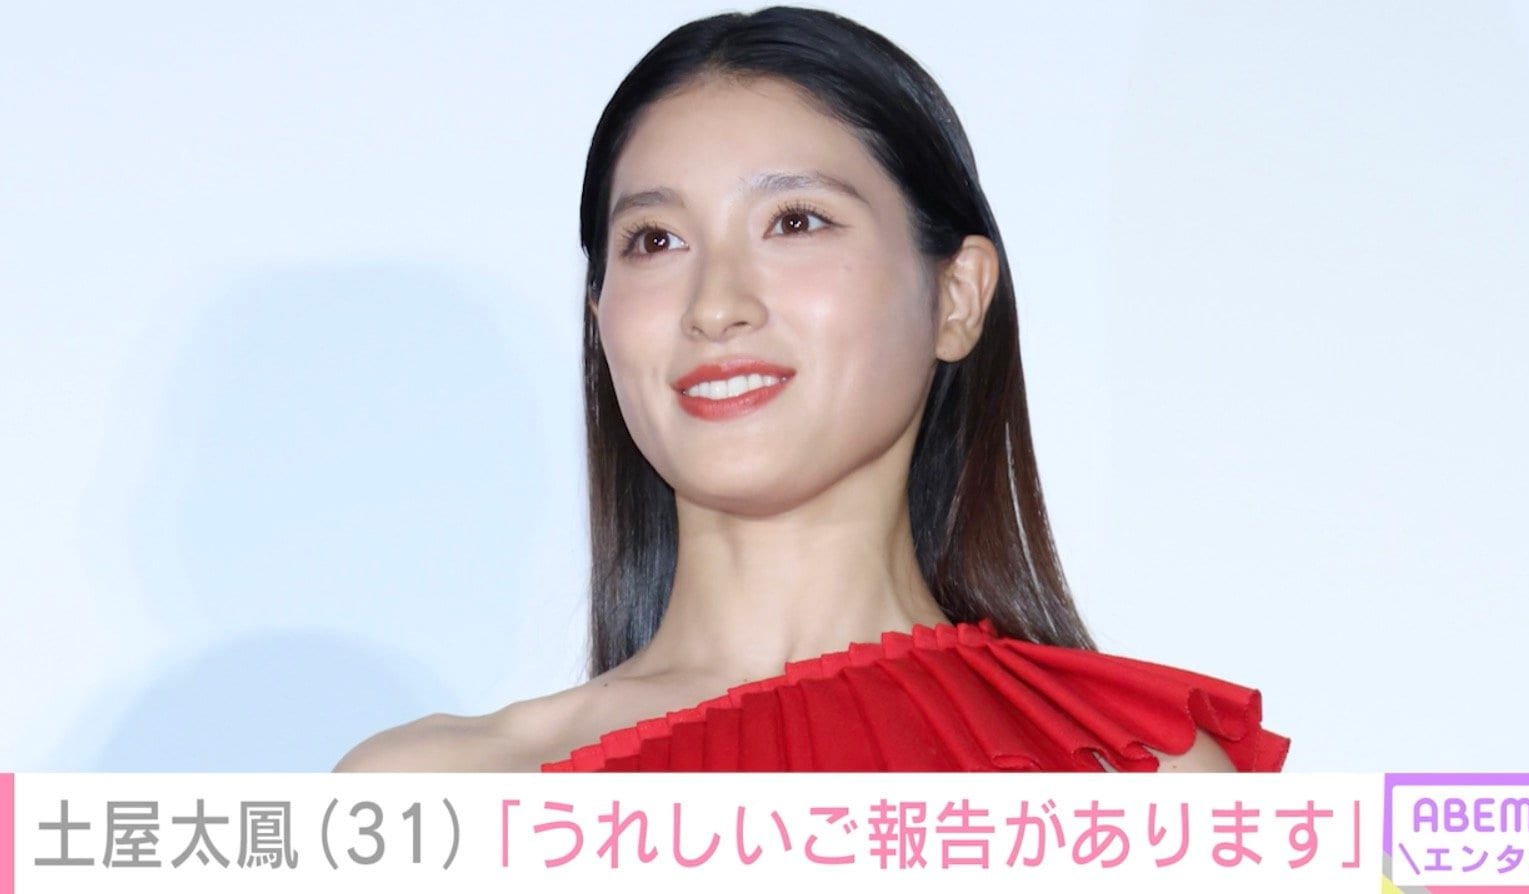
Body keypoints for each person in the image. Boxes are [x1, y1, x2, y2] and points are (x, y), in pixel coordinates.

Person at [336, 5, 1290, 773]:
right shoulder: (430, 801)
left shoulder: (1135, 782)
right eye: (655, 241)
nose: (716, 305)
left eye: (796, 222)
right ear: (601, 319)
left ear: (957, 297)